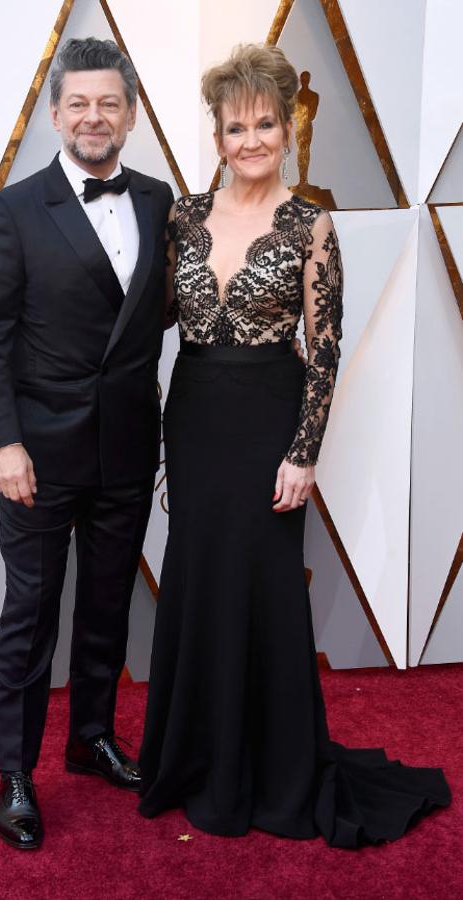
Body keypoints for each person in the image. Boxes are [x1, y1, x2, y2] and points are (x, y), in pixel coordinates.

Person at [138, 44, 451, 847]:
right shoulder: (183, 216)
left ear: (287, 130)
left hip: (271, 416)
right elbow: (163, 317)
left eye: (264, 124)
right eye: (235, 126)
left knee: (265, 589)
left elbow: (327, 346)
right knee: (199, 580)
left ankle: (269, 770)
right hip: (197, 415)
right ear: (217, 135)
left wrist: (303, 452)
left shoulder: (313, 225)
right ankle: (195, 760)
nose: (250, 140)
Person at [0, 37, 174, 850]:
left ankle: (90, 739)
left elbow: (161, 308)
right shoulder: (13, 210)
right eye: (79, 103)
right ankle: (15, 772)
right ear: (56, 114)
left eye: (109, 103)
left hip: (128, 445)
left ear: (130, 114)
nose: (95, 116)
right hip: (38, 456)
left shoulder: (159, 200)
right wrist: (2, 443)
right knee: (30, 615)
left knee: (107, 607)